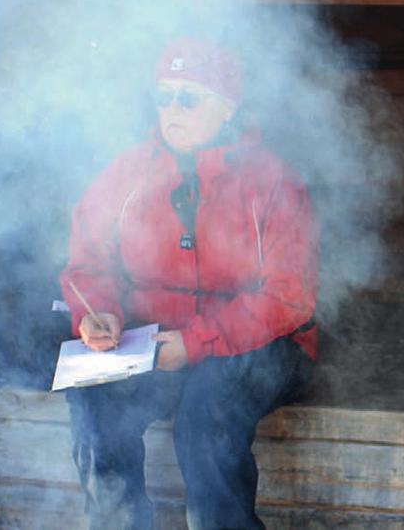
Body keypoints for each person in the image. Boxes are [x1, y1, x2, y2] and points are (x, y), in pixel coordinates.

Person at [60, 37, 318, 530]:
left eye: (189, 97)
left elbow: (289, 296)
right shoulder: (127, 172)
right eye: (163, 95)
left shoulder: (272, 182)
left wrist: (198, 342)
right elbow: (87, 263)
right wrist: (96, 313)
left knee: (207, 415)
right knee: (95, 401)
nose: (171, 109)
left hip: (261, 342)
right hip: (155, 341)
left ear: (227, 109)